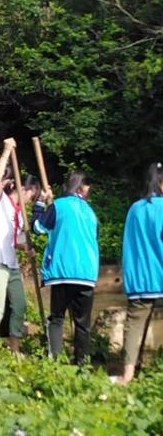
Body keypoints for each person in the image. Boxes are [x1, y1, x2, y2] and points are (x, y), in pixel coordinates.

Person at [32, 170, 99, 365]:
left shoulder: (58, 206)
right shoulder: (90, 212)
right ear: (79, 187)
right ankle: (82, 364)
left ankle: (55, 360)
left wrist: (39, 204)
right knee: (82, 323)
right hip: (86, 273)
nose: (89, 190)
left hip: (63, 271)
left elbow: (37, 228)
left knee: (57, 318)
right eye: (87, 186)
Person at [0, 139, 40, 351]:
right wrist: (6, 150)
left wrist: (27, 248)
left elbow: (17, 240)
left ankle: (13, 347)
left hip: (11, 264)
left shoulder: (21, 215)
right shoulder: (2, 202)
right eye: (31, 197)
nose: (30, 202)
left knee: (19, 306)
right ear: (22, 190)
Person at [114, 163, 163, 385]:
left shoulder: (135, 208)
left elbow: (129, 244)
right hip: (160, 274)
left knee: (134, 325)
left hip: (140, 278)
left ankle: (128, 375)